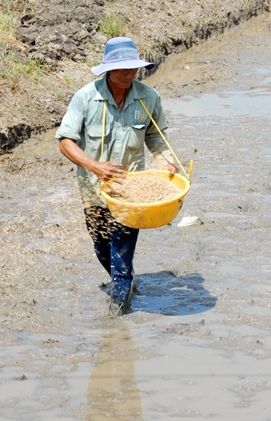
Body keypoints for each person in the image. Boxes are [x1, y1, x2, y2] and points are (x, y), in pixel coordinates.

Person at [55, 37, 178, 316]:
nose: (129, 74)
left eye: (133, 68)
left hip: (130, 195)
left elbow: (157, 139)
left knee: (121, 261)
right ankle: (123, 280)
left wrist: (166, 162)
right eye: (123, 69)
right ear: (108, 70)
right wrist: (95, 166)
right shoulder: (85, 98)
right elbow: (65, 141)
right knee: (101, 247)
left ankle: (117, 317)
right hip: (93, 191)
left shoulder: (148, 98)